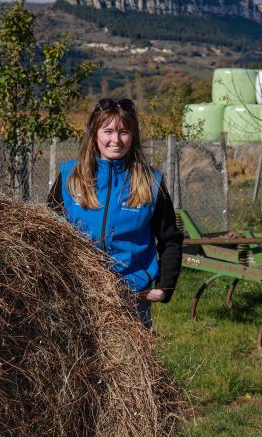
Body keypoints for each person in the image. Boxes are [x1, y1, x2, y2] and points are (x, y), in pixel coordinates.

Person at [49, 98, 183, 327]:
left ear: (133, 136)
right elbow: (48, 232)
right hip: (77, 294)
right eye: (108, 131)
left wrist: (164, 286)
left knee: (128, 363)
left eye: (124, 132)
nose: (116, 140)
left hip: (132, 299)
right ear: (94, 133)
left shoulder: (151, 182)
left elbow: (170, 239)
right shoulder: (69, 177)